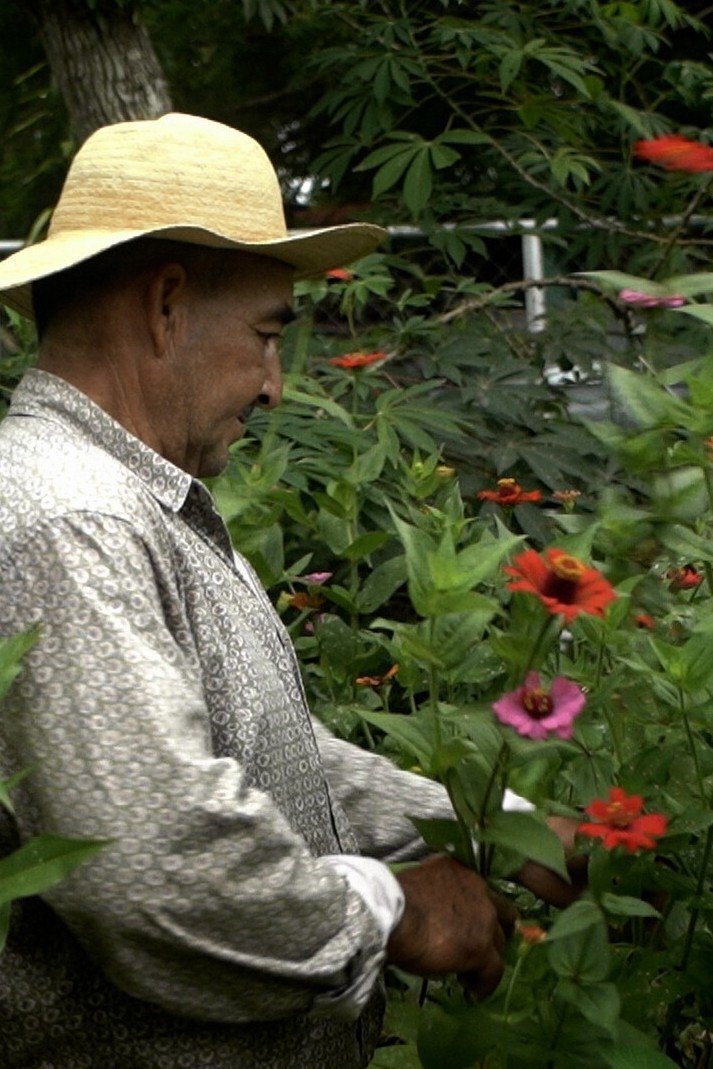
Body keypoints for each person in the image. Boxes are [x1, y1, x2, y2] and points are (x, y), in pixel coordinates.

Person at [0, 114, 577, 1069]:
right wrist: (393, 906)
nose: (274, 386)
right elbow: (156, 870)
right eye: (267, 336)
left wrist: (485, 830)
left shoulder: (130, 499)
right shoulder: (72, 519)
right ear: (165, 304)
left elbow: (254, 751)